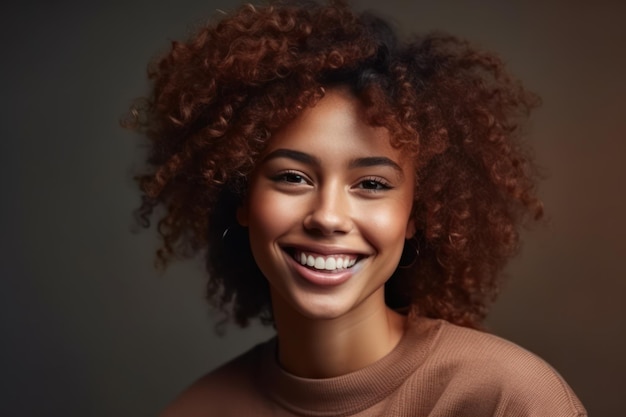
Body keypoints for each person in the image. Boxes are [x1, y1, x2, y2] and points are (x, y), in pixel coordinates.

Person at [126, 0, 587, 415]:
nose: (328, 216)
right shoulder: (199, 409)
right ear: (241, 198)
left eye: (370, 183)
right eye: (292, 177)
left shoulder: (504, 398)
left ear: (415, 215)